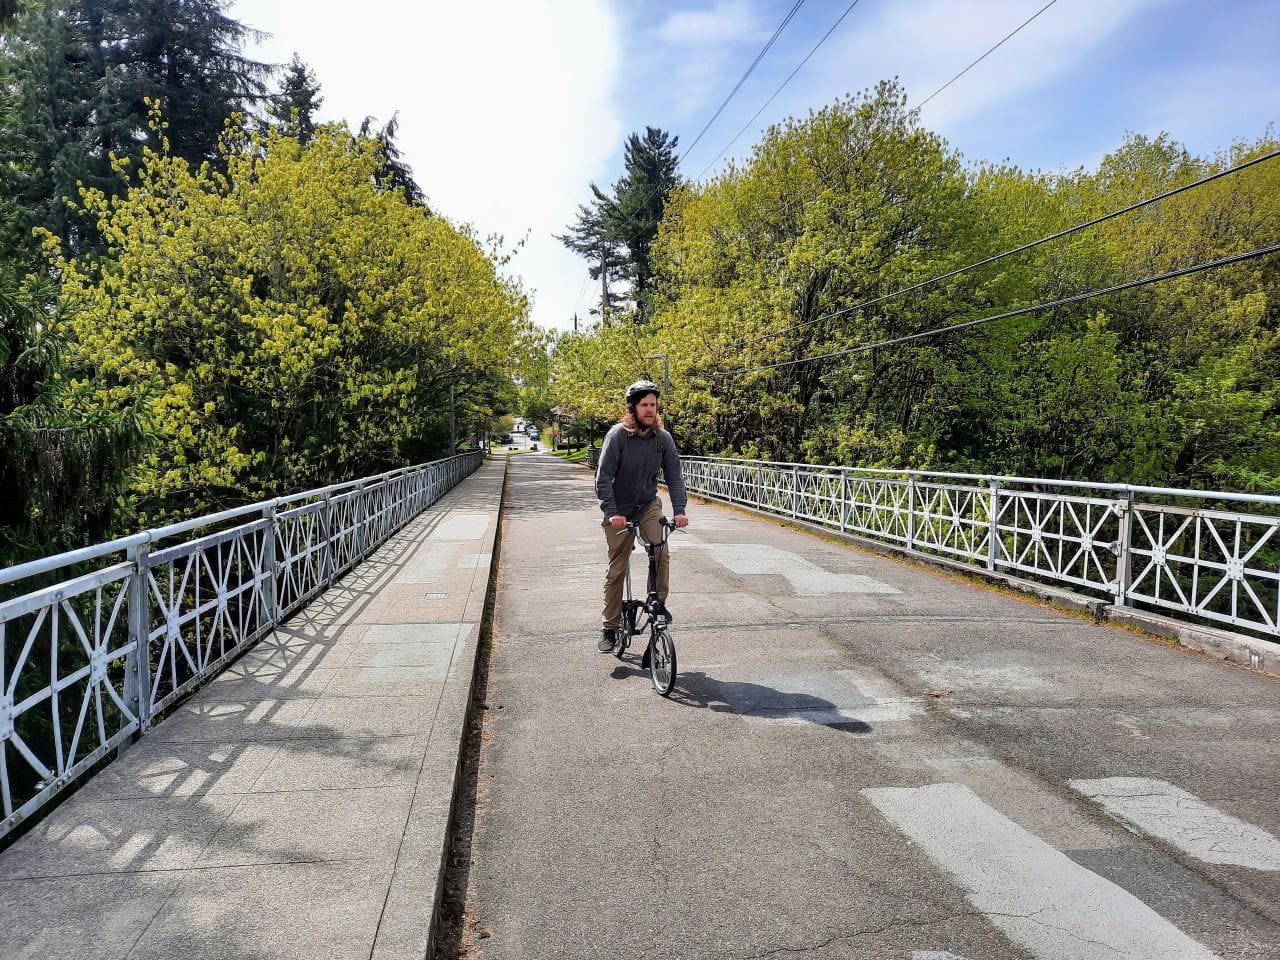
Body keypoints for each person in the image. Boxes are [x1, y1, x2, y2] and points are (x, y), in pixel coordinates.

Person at [594, 379, 689, 653]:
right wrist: (612, 513)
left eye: (654, 405)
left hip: (648, 505)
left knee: (660, 549)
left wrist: (680, 510)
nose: (650, 410)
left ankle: (658, 602)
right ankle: (609, 627)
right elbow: (603, 479)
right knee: (618, 568)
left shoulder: (663, 439)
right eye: (644, 405)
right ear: (633, 408)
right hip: (618, 509)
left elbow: (675, 477)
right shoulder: (618, 435)